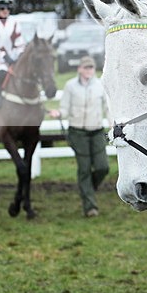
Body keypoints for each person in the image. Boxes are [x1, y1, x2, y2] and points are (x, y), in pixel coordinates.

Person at [49, 56, 109, 217]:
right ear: (80, 69)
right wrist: (59, 113)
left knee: (103, 167)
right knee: (84, 169)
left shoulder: (100, 85)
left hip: (96, 131)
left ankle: (88, 189)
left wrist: (114, 125)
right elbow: (65, 108)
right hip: (78, 132)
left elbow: (107, 108)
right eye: (86, 67)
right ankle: (90, 206)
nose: (89, 70)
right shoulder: (70, 86)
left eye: (91, 67)